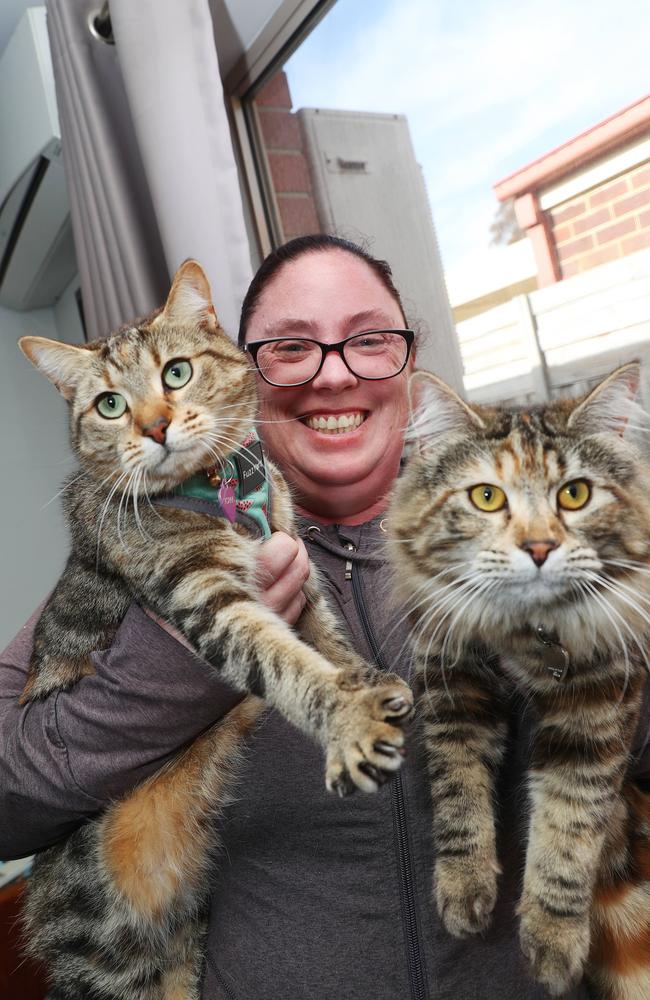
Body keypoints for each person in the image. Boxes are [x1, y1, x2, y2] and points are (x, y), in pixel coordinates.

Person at [0, 234, 648, 1000]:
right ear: (242, 366)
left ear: (408, 364)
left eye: (369, 341)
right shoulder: (137, 551)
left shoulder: (536, 540)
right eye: (291, 347)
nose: (333, 374)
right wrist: (192, 653)